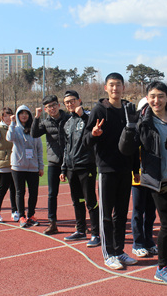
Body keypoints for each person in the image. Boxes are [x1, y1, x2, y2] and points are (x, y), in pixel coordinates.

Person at [120, 82, 167, 285]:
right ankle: (162, 267)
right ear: (147, 98)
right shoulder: (143, 121)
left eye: (160, 96)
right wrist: (129, 127)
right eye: (152, 96)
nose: (156, 100)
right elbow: (126, 149)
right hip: (160, 180)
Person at [83, 72, 138, 270]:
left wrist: (135, 169)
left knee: (121, 214)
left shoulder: (128, 110)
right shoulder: (99, 110)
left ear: (124, 87)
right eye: (111, 85)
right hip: (107, 169)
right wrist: (94, 134)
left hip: (125, 169)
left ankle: (119, 250)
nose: (115, 88)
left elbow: (133, 141)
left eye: (118, 85)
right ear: (106, 88)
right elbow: (85, 140)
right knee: (106, 214)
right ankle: (108, 254)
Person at [59, 90, 100, 247]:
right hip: (71, 167)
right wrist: (64, 168)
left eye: (72, 101)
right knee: (77, 200)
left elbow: (94, 128)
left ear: (79, 100)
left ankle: (96, 233)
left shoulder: (88, 117)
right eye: (67, 102)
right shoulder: (67, 122)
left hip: (86, 165)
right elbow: (66, 147)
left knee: (90, 200)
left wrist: (82, 115)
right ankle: (81, 230)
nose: (70, 104)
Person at [32, 95, 70, 235]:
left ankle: (81, 224)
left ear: (59, 105)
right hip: (54, 162)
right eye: (49, 107)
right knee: (52, 194)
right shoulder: (45, 122)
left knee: (77, 193)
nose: (52, 108)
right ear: (45, 109)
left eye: (54, 105)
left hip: (70, 160)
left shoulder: (68, 119)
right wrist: (36, 118)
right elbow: (34, 133)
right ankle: (52, 223)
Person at [129, 97, 158, 259]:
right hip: (138, 176)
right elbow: (132, 151)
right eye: (145, 109)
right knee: (138, 210)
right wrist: (135, 170)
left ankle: (149, 240)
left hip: (153, 175)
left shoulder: (156, 126)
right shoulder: (136, 127)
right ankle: (138, 243)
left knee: (151, 211)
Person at [7, 105, 44, 228]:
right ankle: (21, 216)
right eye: (21, 113)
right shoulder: (15, 128)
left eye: (26, 113)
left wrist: (41, 166)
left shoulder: (34, 129)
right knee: (20, 192)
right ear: (17, 115)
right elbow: (9, 138)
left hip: (33, 167)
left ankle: (31, 215)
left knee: (34, 192)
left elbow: (39, 149)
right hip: (18, 166)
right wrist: (12, 123)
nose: (24, 115)